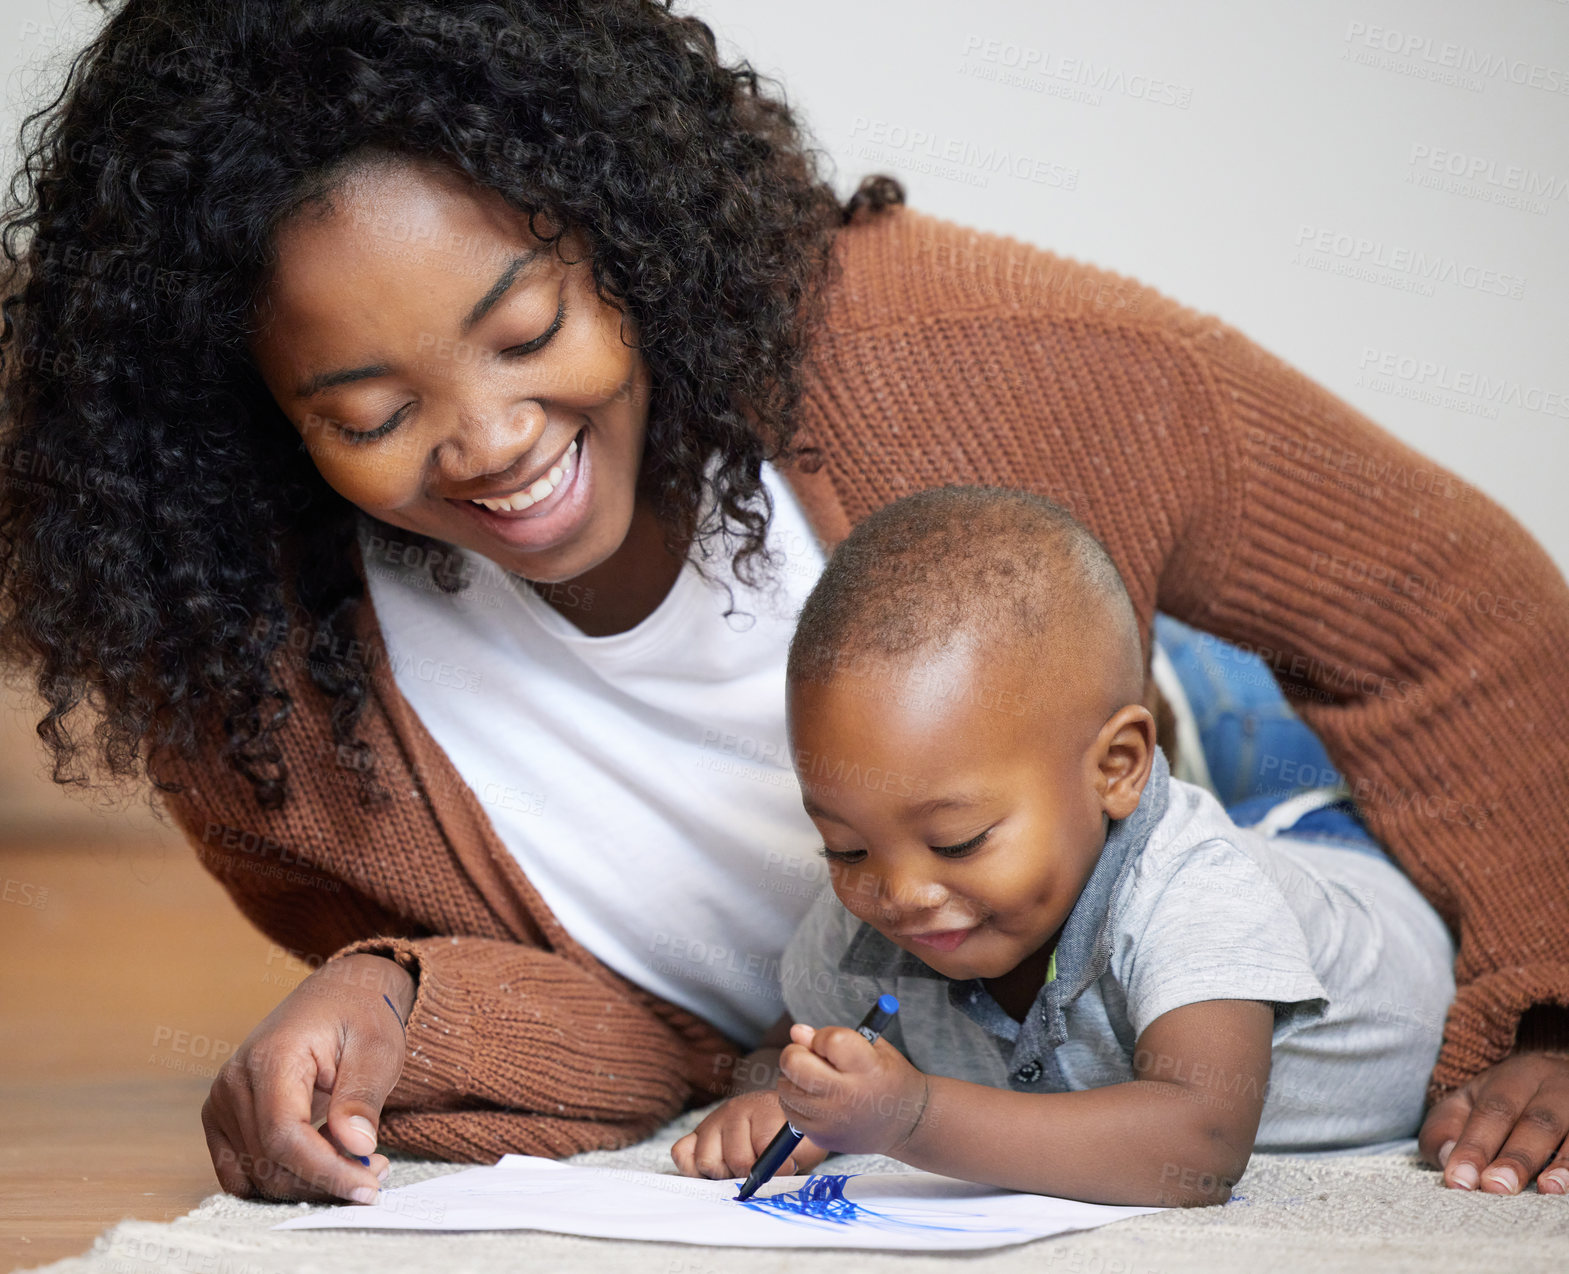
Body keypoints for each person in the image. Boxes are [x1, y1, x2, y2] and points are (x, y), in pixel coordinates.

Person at [0, 0, 1564, 1207]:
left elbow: (1445, 610)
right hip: (934, 983)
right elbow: (658, 1034)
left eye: (524, 323)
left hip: (1219, 763)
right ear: (254, 418)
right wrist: (391, 997)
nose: (486, 441)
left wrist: (1548, 999)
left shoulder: (956, 351)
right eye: (364, 410)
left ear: (618, 227)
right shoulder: (251, 691)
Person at [670, 487, 1457, 1206]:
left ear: (1116, 769)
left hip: (1344, 856)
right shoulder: (882, 893)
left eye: (959, 840)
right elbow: (784, 1045)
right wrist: (786, 1094)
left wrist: (911, 1116)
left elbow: (1198, 1147)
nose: (899, 894)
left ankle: (1202, 697)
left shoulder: (1194, 889)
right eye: (843, 849)